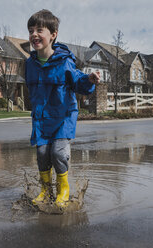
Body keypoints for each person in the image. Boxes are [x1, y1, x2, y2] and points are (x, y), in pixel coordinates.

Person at [25, 9, 100, 208]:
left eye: (39, 30)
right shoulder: (29, 64)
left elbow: (77, 80)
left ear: (53, 34)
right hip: (42, 118)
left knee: (58, 153)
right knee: (42, 154)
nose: (34, 34)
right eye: (31, 30)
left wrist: (89, 80)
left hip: (63, 116)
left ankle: (63, 189)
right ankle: (45, 189)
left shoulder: (64, 61)